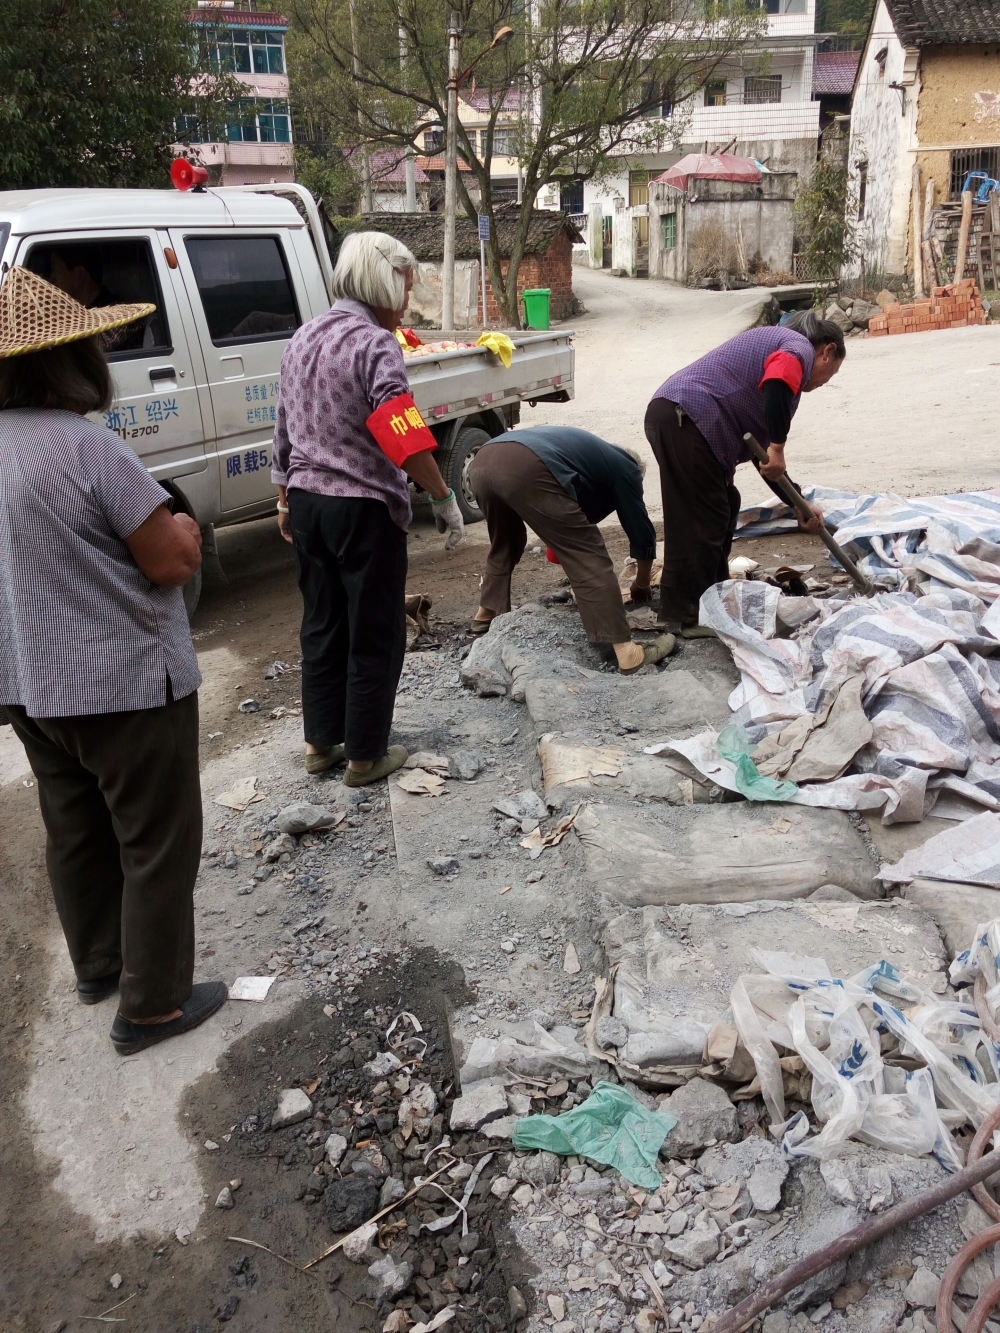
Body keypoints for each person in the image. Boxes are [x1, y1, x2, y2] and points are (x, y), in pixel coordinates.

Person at [0, 266, 226, 1055]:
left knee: (76, 829)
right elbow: (169, 560)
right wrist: (189, 531)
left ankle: (100, 965)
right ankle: (154, 1004)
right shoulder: (87, 448)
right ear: (74, 360)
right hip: (124, 684)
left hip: (29, 686)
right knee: (157, 837)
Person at [272, 231, 465, 784]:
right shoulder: (374, 343)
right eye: (404, 282)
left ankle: (320, 745)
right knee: (375, 629)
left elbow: (283, 426)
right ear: (384, 280)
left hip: (309, 505)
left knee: (323, 624)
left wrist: (283, 496)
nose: (407, 296)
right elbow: (398, 425)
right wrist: (443, 494)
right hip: (361, 508)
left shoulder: (303, 337)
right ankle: (364, 756)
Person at [645, 310, 845, 631]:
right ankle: (684, 615)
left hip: (677, 416)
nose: (823, 382)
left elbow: (763, 459)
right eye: (830, 374)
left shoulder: (779, 356)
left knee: (723, 506)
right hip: (687, 417)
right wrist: (779, 446)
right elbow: (780, 382)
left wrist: (798, 504)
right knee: (701, 520)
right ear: (828, 350)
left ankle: (712, 600)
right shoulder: (798, 349)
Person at [468, 425, 674, 674]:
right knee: (589, 555)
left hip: (483, 462)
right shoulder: (628, 468)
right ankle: (628, 654)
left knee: (505, 541)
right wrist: (641, 583)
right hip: (525, 464)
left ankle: (485, 614)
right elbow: (640, 531)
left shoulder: (587, 456)